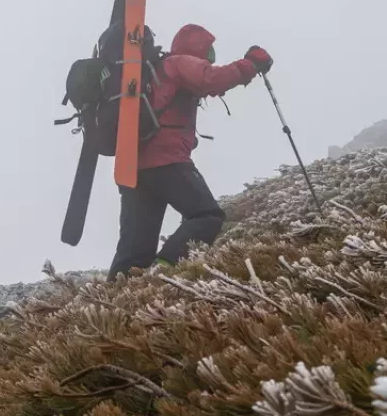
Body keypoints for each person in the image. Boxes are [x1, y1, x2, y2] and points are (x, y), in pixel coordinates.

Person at [106, 24, 272, 279]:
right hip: (167, 162)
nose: (210, 59)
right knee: (207, 215)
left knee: (134, 250)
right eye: (209, 53)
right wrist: (251, 63)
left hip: (134, 167)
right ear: (197, 48)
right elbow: (212, 79)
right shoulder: (178, 63)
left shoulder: (156, 73)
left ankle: (115, 297)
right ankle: (166, 270)